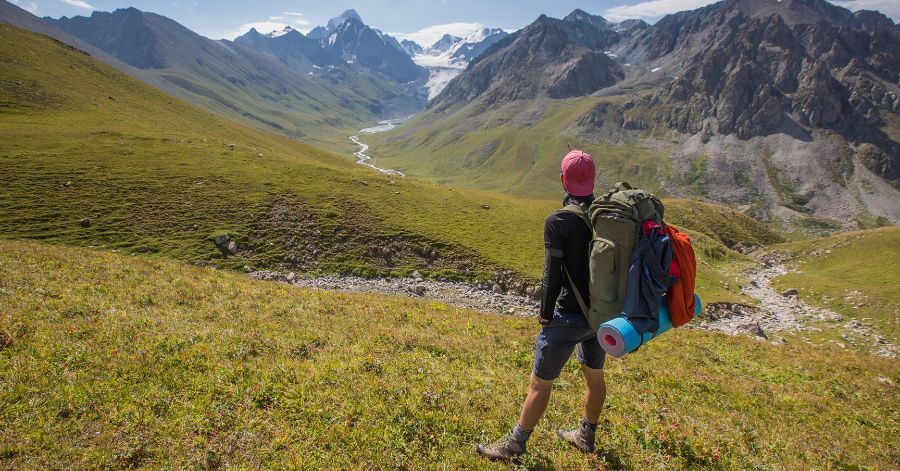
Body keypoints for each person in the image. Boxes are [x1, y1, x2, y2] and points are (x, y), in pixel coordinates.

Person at [476, 149, 606, 461]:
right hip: (600, 315)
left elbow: (552, 274)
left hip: (568, 316)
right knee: (595, 376)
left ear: (563, 180)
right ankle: (586, 436)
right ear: (592, 180)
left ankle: (514, 445)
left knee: (539, 383)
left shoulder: (559, 221)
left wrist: (546, 315)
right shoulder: (606, 216)